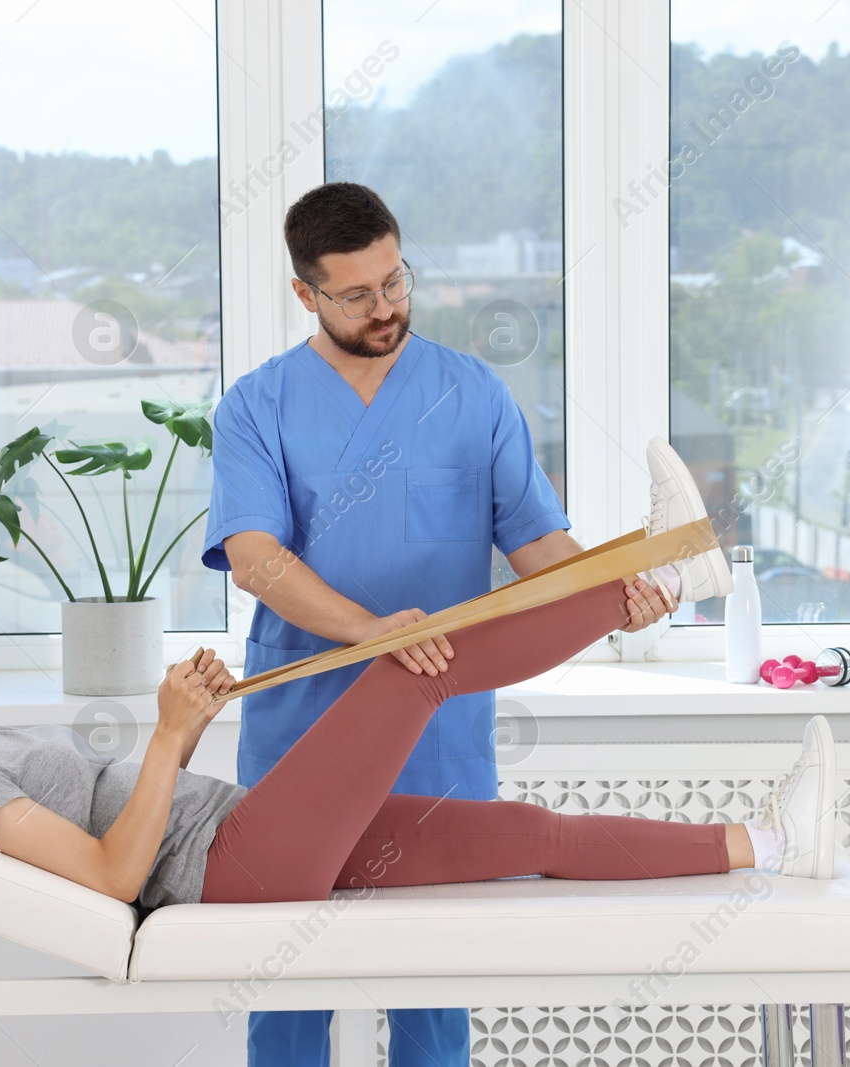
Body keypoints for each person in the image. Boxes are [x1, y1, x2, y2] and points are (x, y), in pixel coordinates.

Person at [197, 182, 735, 1065]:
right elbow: (255, 557)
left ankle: (661, 568)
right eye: (358, 294)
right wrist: (372, 631)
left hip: (440, 732)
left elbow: (537, 548)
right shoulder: (257, 407)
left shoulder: (469, 391)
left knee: (434, 983)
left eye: (396, 280)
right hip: (303, 731)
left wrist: (614, 593)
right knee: (288, 983)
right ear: (306, 294)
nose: (387, 307)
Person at [0, 542, 838, 928]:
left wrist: (190, 723)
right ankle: (661, 584)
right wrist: (175, 733)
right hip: (238, 863)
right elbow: (106, 873)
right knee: (421, 663)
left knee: (519, 829)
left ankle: (770, 843)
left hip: (251, 840)